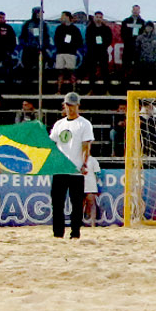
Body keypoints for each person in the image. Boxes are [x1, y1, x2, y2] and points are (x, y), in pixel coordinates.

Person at [49, 92, 93, 239]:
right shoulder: (59, 124)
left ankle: (75, 233)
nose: (70, 108)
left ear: (77, 106)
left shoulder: (84, 124)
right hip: (60, 169)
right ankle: (58, 233)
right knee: (57, 203)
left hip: (76, 169)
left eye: (73, 105)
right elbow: (52, 144)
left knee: (77, 204)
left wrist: (84, 163)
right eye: (68, 105)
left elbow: (86, 146)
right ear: (64, 106)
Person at [52, 11, 82, 94]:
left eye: (63, 16)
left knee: (71, 71)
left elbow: (79, 41)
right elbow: (56, 40)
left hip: (71, 53)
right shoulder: (59, 28)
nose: (62, 18)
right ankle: (59, 90)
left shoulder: (75, 29)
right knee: (60, 72)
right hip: (60, 53)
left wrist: (72, 47)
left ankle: (74, 89)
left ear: (68, 17)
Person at [83, 11, 113, 91]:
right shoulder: (90, 28)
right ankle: (91, 90)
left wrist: (103, 45)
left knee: (105, 71)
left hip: (102, 52)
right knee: (92, 71)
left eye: (100, 17)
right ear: (94, 18)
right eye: (97, 17)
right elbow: (88, 40)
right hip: (92, 52)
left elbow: (109, 40)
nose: (98, 19)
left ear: (102, 18)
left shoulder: (106, 29)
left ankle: (107, 90)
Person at [120, 4, 147, 87]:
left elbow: (144, 34)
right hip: (128, 47)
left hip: (138, 48)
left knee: (139, 66)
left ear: (139, 11)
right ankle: (124, 85)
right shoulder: (126, 21)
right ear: (132, 11)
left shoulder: (143, 22)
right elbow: (122, 33)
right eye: (134, 10)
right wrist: (129, 41)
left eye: (137, 10)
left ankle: (140, 86)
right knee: (126, 66)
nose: (135, 11)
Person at [20, 9, 47, 84]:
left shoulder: (43, 24)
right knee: (27, 69)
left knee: (41, 69)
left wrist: (44, 46)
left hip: (40, 50)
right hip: (29, 50)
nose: (41, 15)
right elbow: (22, 37)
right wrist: (26, 45)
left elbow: (46, 37)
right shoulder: (27, 24)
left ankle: (42, 85)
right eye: (39, 13)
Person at [136, 21, 156, 87]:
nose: (148, 28)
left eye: (150, 27)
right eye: (147, 27)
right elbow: (137, 49)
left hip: (154, 62)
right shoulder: (140, 38)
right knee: (144, 81)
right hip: (144, 62)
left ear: (152, 28)